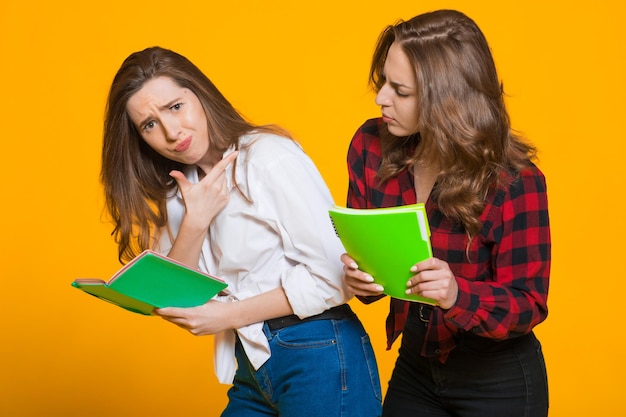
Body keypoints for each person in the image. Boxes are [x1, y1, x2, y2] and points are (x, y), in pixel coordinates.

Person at [101, 46, 382, 417]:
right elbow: (180, 300)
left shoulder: (268, 158)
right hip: (253, 363)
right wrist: (196, 221)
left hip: (318, 349)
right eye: (149, 125)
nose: (171, 132)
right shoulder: (180, 192)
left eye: (175, 107)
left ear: (200, 95)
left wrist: (228, 317)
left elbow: (337, 278)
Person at [341, 9, 550, 417]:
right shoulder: (370, 145)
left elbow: (529, 303)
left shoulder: (515, 181)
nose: (382, 97)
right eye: (384, 82)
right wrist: (361, 277)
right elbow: (369, 261)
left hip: (498, 377)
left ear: (447, 99)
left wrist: (457, 294)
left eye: (400, 91)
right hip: (417, 362)